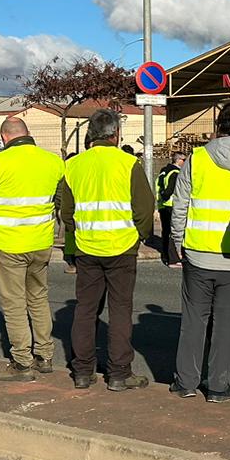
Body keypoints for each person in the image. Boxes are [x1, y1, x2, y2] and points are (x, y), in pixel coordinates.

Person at [59, 108, 154, 391]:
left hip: (88, 248)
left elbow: (66, 211)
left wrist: (75, 239)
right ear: (116, 134)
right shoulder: (128, 163)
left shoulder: (74, 165)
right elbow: (145, 208)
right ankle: (119, 373)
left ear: (90, 134)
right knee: (120, 310)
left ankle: (83, 371)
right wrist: (141, 235)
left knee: (86, 309)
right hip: (122, 248)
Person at [168, 102, 230, 402]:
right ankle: (218, 386)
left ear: (219, 125)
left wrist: (178, 243)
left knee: (193, 320)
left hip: (199, 252)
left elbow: (181, 205)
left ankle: (186, 382)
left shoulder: (198, 157)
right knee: (228, 324)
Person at [0, 115, 64, 381]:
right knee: (38, 299)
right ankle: (45, 356)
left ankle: (22, 362)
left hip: (8, 243)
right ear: (28, 133)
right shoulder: (53, 162)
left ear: (4, 137)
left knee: (13, 305)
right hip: (41, 243)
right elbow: (60, 201)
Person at [155, 149, 182, 266]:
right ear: (179, 160)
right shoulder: (175, 173)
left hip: (162, 206)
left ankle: (165, 256)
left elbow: (159, 186)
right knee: (173, 232)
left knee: (165, 232)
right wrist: (165, 196)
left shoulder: (164, 171)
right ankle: (173, 259)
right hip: (172, 205)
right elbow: (170, 190)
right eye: (184, 160)